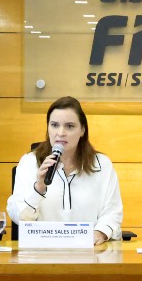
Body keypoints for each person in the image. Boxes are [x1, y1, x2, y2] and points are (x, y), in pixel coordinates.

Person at [7, 96, 123, 243]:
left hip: (90, 251)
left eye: (69, 126)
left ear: (82, 130)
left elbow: (112, 212)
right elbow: (19, 217)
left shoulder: (102, 164)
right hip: (42, 251)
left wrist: (100, 233)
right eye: (54, 125)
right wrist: (39, 188)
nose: (60, 133)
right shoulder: (30, 162)